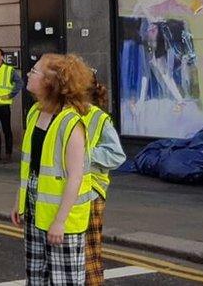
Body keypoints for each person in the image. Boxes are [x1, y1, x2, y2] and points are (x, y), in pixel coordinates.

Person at [11, 54, 92, 286]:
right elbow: (30, 165)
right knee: (36, 279)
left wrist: (60, 221)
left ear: (50, 82)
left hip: (61, 218)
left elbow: (75, 177)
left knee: (63, 282)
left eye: (34, 71)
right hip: (35, 212)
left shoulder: (71, 122)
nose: (28, 74)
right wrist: (20, 199)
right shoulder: (35, 112)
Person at [79, 65, 125, 286]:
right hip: (73, 190)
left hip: (91, 192)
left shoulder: (98, 117)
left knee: (89, 256)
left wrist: (81, 154)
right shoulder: (66, 112)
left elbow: (117, 155)